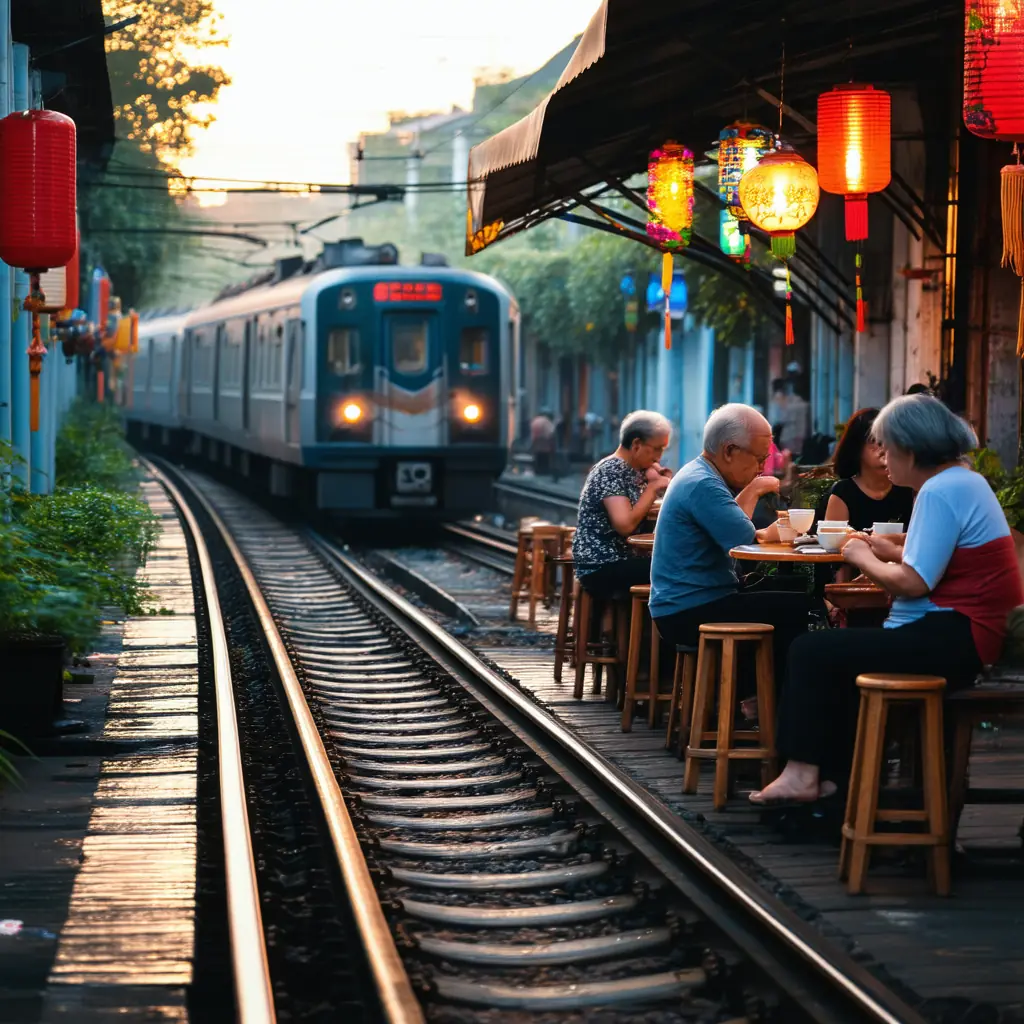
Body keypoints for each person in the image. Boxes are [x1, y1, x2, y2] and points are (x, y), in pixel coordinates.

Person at [752, 395, 1024, 805]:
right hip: (963, 633)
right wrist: (889, 547)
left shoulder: (938, 491)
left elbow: (913, 583)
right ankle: (834, 780)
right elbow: (940, 556)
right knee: (837, 657)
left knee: (810, 650)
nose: (884, 458)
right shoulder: (962, 481)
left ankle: (803, 772)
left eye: (887, 448)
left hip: (955, 634)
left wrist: (859, 554)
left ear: (910, 451)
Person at [649, 404, 812, 690]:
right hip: (689, 608)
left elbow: (733, 527)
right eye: (759, 459)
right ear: (729, 450)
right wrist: (761, 495)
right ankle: (769, 704)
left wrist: (755, 490)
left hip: (685, 603)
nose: (762, 467)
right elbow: (743, 538)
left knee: (787, 593)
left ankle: (755, 697)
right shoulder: (704, 484)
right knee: (798, 606)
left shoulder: (700, 474)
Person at [571, 410, 672, 599]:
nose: (659, 457)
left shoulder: (636, 470)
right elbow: (625, 525)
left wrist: (658, 480)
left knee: (676, 563)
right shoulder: (611, 470)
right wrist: (652, 488)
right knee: (678, 567)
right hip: (602, 563)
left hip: (622, 558)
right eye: (657, 449)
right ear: (636, 445)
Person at [823, 408, 914, 531]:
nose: (884, 449)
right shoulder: (843, 492)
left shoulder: (907, 490)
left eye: (889, 441)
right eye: (874, 441)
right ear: (857, 448)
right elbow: (833, 542)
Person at [530, 409, 555, 477]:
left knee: (538, 459)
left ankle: (537, 471)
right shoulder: (546, 421)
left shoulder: (535, 421)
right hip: (545, 446)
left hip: (537, 445)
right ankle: (544, 473)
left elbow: (533, 435)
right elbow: (550, 434)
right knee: (544, 461)